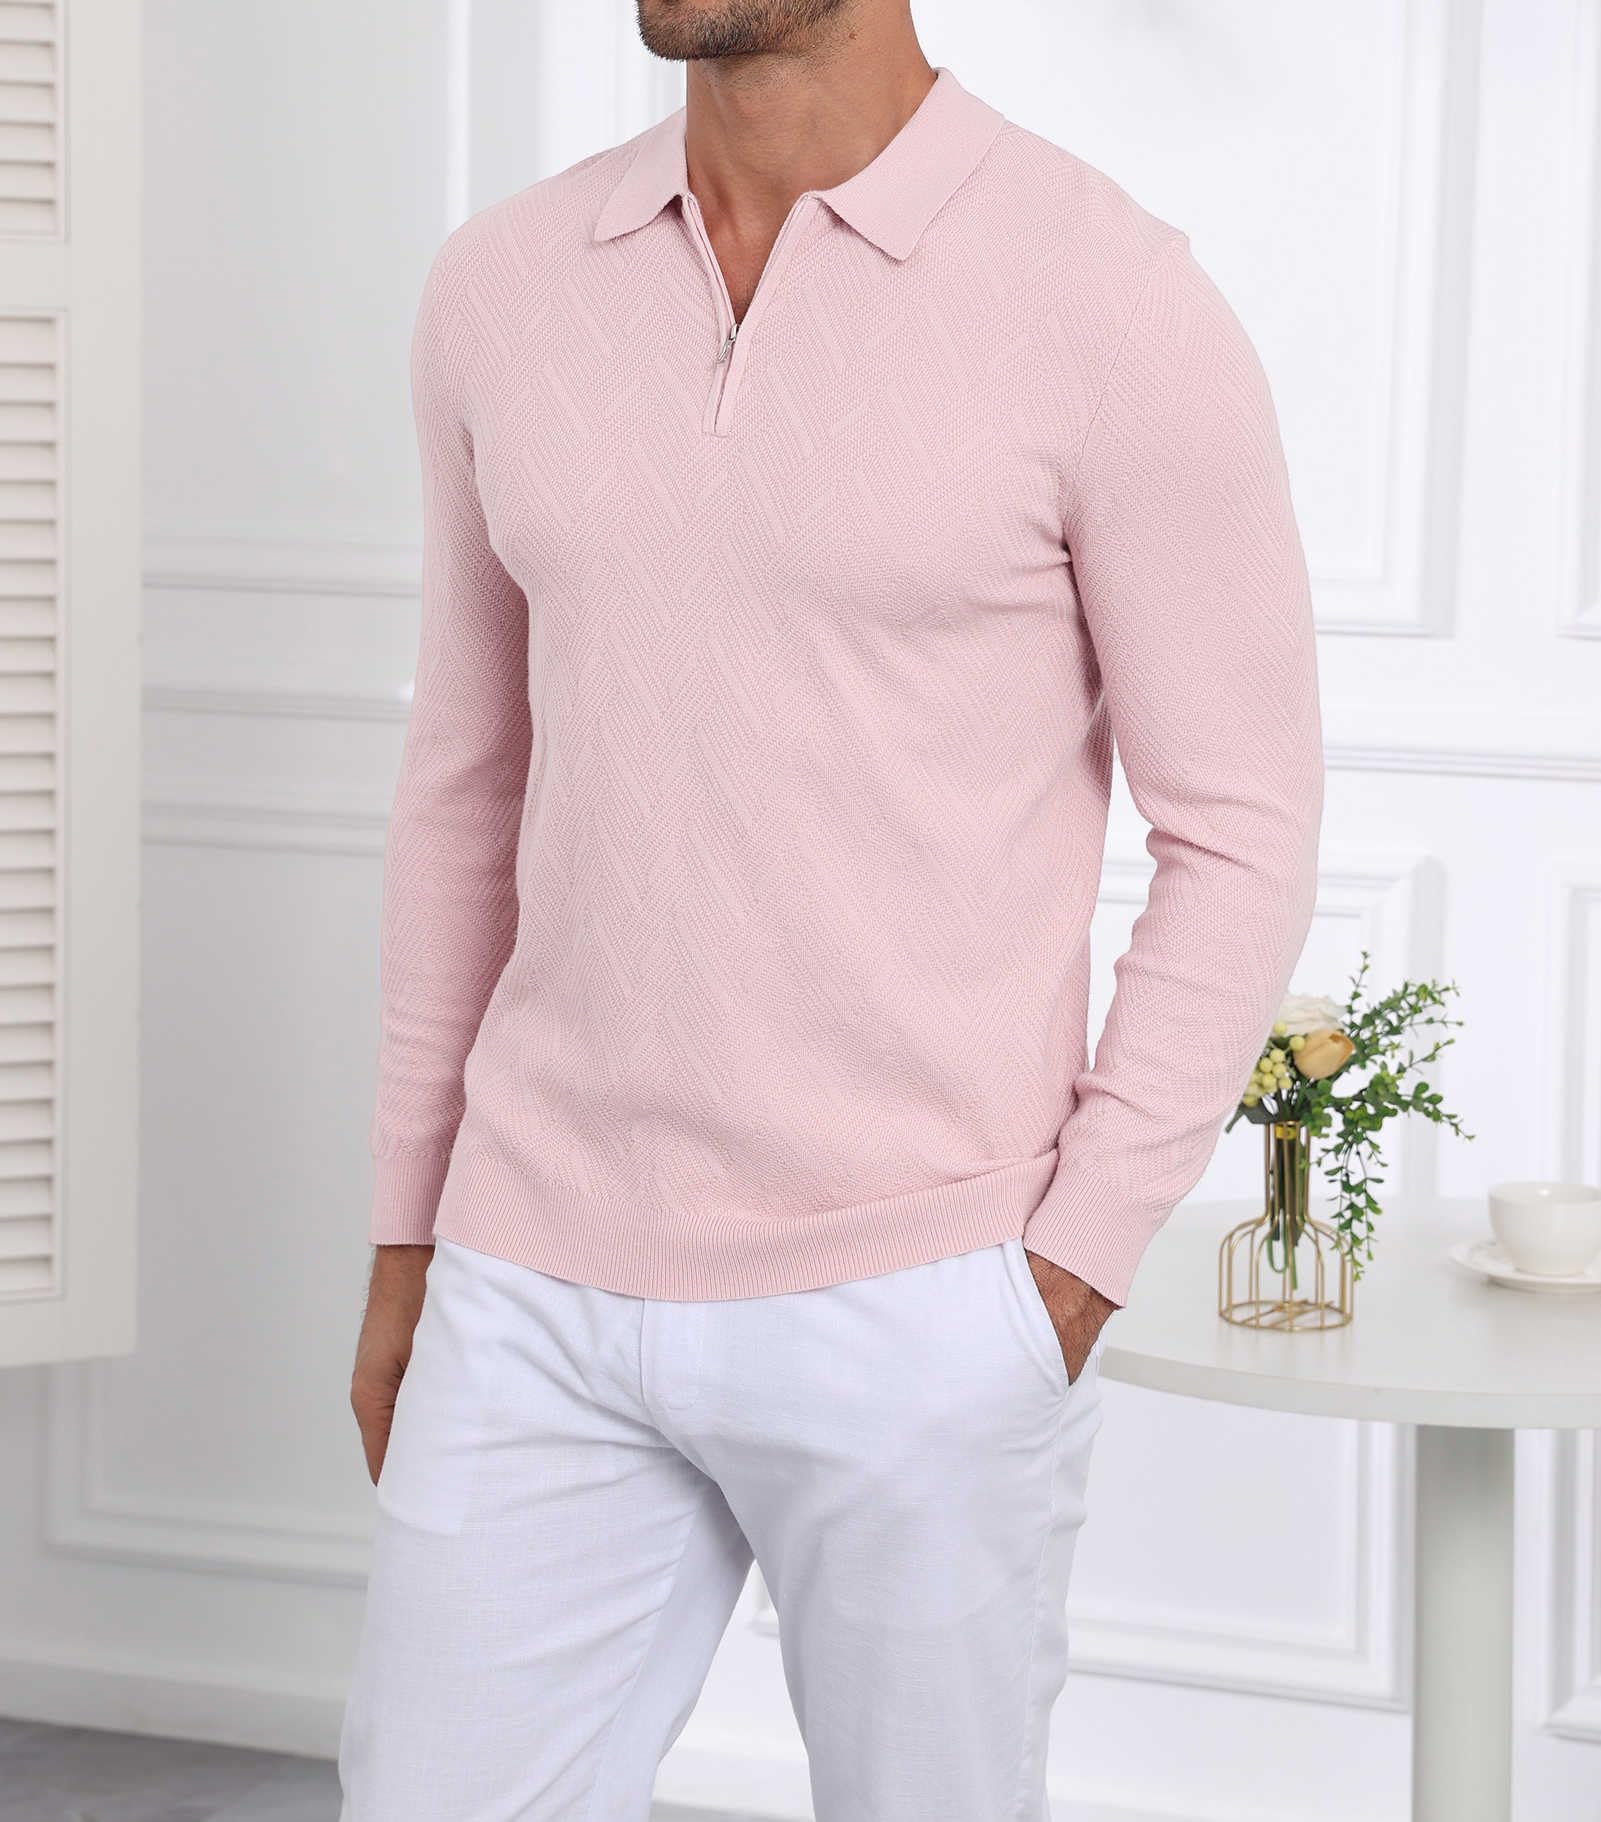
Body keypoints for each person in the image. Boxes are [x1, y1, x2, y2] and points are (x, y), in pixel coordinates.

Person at [338, 2, 1324, 1817]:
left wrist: (1067, 1263)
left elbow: (1240, 824)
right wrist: (413, 1237)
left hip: (921, 1292)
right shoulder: (499, 286)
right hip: (531, 1270)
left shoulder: (1110, 298)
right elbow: (464, 785)